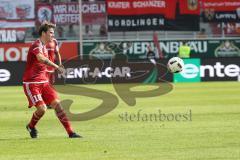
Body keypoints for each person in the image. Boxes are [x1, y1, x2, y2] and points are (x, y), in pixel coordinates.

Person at [23, 22, 81, 138]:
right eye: (51, 32)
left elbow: (54, 55)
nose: (53, 35)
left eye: (53, 33)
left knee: (58, 105)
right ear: (43, 33)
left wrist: (58, 65)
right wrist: (56, 67)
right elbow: (40, 58)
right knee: (42, 109)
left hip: (44, 82)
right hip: (32, 83)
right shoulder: (36, 45)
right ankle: (31, 126)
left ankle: (71, 133)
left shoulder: (47, 45)